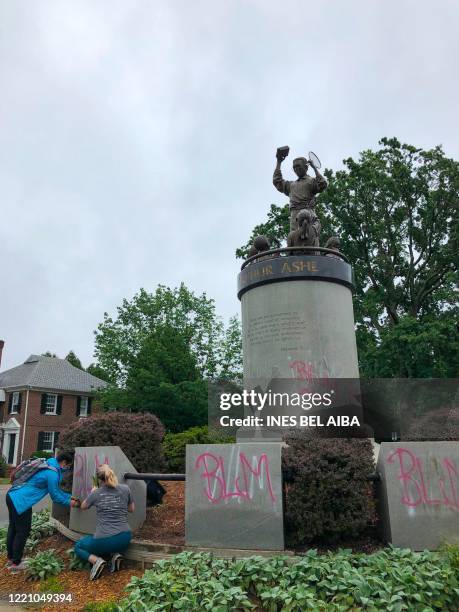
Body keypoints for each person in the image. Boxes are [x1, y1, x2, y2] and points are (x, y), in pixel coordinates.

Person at [6, 451, 77, 572]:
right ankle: (15, 564)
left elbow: (57, 492)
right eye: (68, 466)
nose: (68, 469)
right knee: (22, 531)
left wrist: (70, 496)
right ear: (64, 462)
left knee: (14, 528)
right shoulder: (52, 473)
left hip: (13, 495)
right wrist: (70, 503)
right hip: (21, 501)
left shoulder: (48, 464)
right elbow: (55, 496)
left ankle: (11, 559)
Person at [74, 464, 134, 581]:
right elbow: (131, 509)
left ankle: (97, 561)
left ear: (99, 479)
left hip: (104, 540)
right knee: (111, 544)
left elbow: (83, 506)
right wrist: (118, 504)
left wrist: (93, 492)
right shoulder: (126, 489)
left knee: (79, 546)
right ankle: (115, 555)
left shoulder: (96, 493)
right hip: (125, 538)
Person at [273, 151, 327, 232]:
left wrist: (314, 168)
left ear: (306, 167)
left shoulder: (311, 181)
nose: (295, 169)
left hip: (308, 214)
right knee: (294, 240)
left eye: (298, 166)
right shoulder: (291, 185)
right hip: (294, 217)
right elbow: (277, 181)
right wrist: (279, 162)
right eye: (294, 167)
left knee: (310, 239)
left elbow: (322, 184)